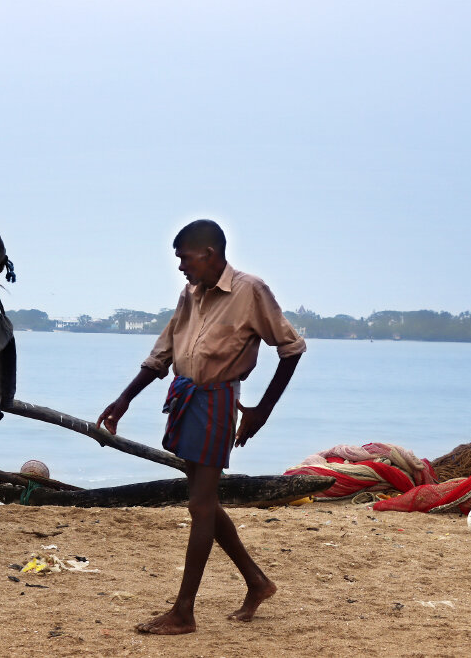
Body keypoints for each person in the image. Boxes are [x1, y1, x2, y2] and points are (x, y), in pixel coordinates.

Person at [96, 219, 305, 635]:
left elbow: (291, 348)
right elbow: (164, 350)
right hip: (185, 398)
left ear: (209, 254)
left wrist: (262, 409)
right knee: (202, 500)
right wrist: (124, 398)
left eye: (184, 257)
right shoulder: (190, 294)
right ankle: (258, 582)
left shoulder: (250, 290)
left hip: (217, 402)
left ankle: (184, 612)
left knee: (200, 505)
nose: (180, 267)